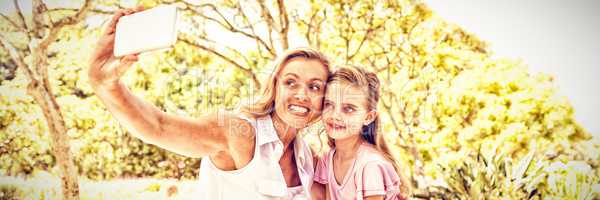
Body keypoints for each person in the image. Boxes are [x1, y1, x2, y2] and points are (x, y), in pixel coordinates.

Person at [88, 7, 331, 199]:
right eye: (291, 82)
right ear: (275, 88)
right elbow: (157, 126)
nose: (302, 94)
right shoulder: (237, 131)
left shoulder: (307, 158)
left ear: (324, 100)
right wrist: (107, 85)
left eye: (314, 87)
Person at [312, 66, 409, 200]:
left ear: (368, 117)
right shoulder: (328, 159)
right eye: (329, 104)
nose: (335, 115)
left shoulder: (370, 165)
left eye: (349, 109)